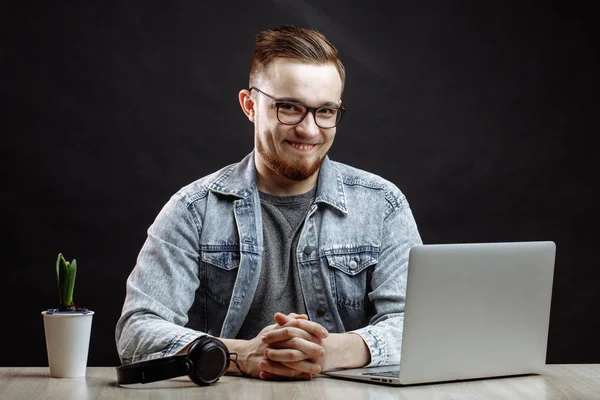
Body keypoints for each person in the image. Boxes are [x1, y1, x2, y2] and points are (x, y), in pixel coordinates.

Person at [115, 25, 422, 381]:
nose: (309, 130)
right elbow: (136, 331)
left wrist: (328, 352)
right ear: (250, 105)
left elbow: (418, 326)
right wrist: (242, 354)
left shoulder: (383, 205)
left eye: (325, 111)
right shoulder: (192, 209)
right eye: (289, 107)